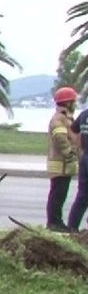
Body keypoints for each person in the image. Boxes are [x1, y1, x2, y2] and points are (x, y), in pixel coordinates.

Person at [46, 86, 79, 232]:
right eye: (73, 101)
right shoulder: (59, 119)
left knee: (60, 195)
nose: (75, 103)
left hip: (63, 164)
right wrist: (70, 153)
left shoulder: (65, 117)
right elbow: (60, 138)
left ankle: (57, 222)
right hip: (60, 164)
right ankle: (54, 223)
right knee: (57, 195)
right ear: (67, 102)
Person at [67, 93, 88, 231]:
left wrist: (80, 146)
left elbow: (73, 130)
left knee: (82, 195)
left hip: (86, 158)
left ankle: (72, 228)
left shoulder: (84, 114)